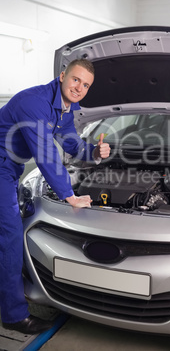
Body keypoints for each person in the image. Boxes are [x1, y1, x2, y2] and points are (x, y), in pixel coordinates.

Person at [0, 59, 110, 334]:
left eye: (86, 85)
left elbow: (70, 141)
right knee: (11, 237)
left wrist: (94, 153)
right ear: (62, 76)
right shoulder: (33, 102)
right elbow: (46, 154)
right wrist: (68, 195)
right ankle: (13, 315)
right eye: (76, 80)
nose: (79, 88)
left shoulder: (64, 109)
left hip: (9, 169)